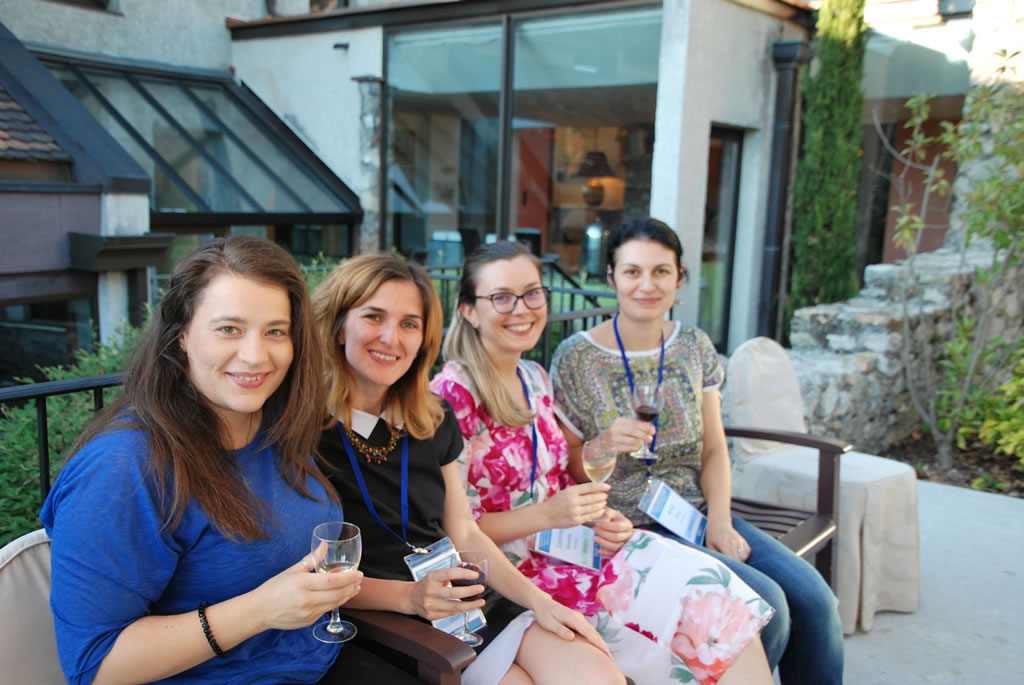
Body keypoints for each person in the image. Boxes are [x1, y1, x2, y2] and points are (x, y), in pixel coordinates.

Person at [39, 235, 416, 685]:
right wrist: (258, 611)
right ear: (180, 336)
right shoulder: (124, 467)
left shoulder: (278, 425)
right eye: (229, 329)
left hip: (323, 664)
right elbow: (95, 666)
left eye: (275, 331)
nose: (256, 355)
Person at [430, 240, 775, 685]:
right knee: (684, 631)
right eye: (501, 297)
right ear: (470, 311)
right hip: (510, 579)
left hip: (568, 552)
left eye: (533, 293)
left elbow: (556, 479)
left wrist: (595, 518)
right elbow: (455, 531)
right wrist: (550, 514)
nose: (521, 308)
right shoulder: (453, 395)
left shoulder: (533, 376)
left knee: (719, 599)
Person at [549, 218, 845, 684]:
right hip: (627, 526)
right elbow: (566, 466)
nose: (647, 285)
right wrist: (603, 444)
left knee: (817, 601)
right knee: (770, 608)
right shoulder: (575, 356)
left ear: (680, 277)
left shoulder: (693, 346)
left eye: (661, 272)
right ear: (611, 278)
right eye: (632, 272)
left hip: (696, 510)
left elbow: (712, 450)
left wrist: (721, 523)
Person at [311, 253, 624, 685]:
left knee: (595, 675)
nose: (391, 337)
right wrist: (413, 597)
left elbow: (466, 532)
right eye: (373, 316)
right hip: (384, 616)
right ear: (338, 324)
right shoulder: (305, 430)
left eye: (409, 324)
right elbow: (311, 571)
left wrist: (541, 602)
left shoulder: (431, 417)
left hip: (464, 599)